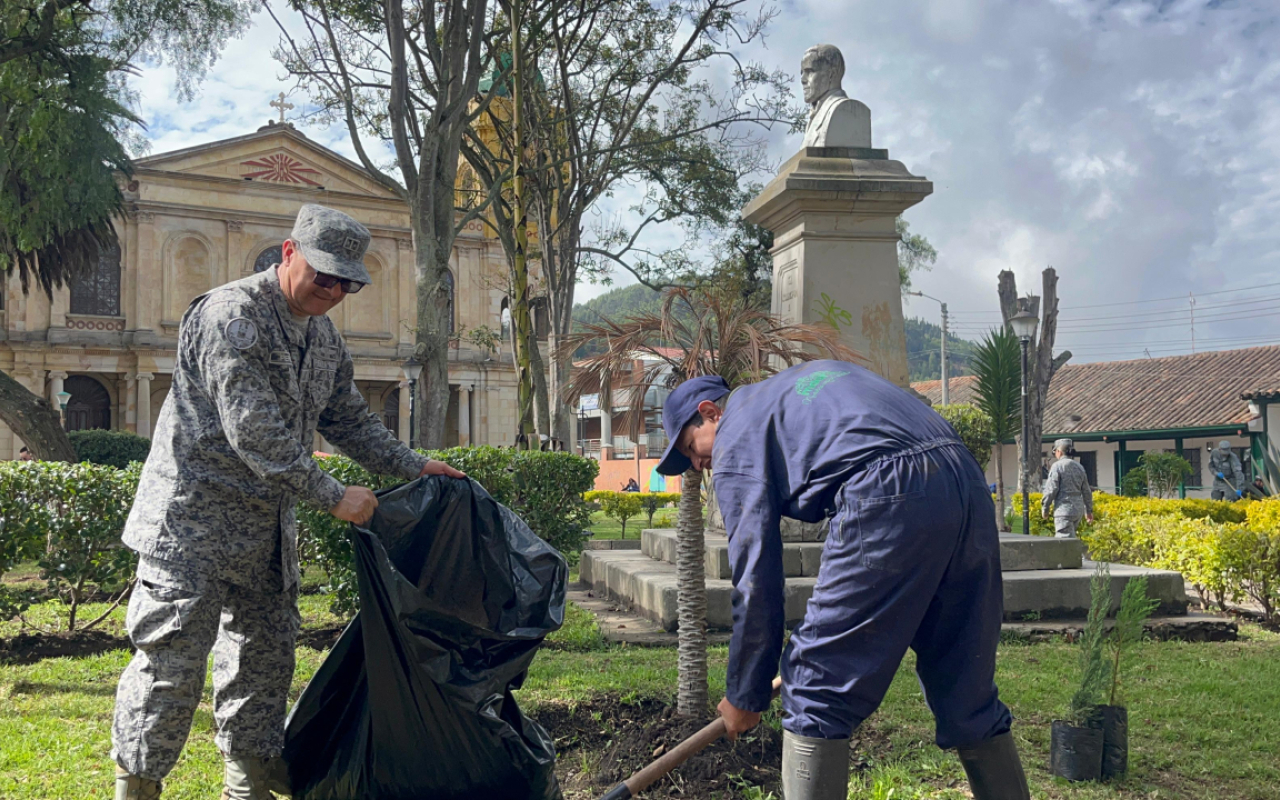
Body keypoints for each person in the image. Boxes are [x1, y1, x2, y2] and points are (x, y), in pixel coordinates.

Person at [111, 204, 465, 800]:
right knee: (168, 668)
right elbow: (255, 431)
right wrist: (332, 495)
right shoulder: (231, 317)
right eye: (323, 275)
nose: (333, 290)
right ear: (288, 252)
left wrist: (413, 464)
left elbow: (348, 419)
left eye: (348, 282)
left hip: (265, 534)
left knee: (263, 662)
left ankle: (246, 786)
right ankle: (137, 788)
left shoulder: (322, 338)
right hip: (189, 527)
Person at [654, 363, 1029, 800]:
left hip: (887, 490)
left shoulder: (736, 433)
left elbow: (756, 576)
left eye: (690, 448)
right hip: (963, 478)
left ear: (709, 412)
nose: (698, 465)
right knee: (966, 689)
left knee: (816, 688)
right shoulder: (798, 384)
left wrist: (744, 694)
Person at [1040, 439, 1094, 539]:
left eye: (1055, 452)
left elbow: (1052, 489)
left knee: (1064, 542)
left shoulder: (1057, 466)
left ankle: (1075, 555)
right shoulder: (1079, 467)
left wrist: (1045, 507)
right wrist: (1089, 511)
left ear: (1059, 451)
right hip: (1077, 509)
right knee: (1071, 538)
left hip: (1063, 509)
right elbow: (1086, 490)